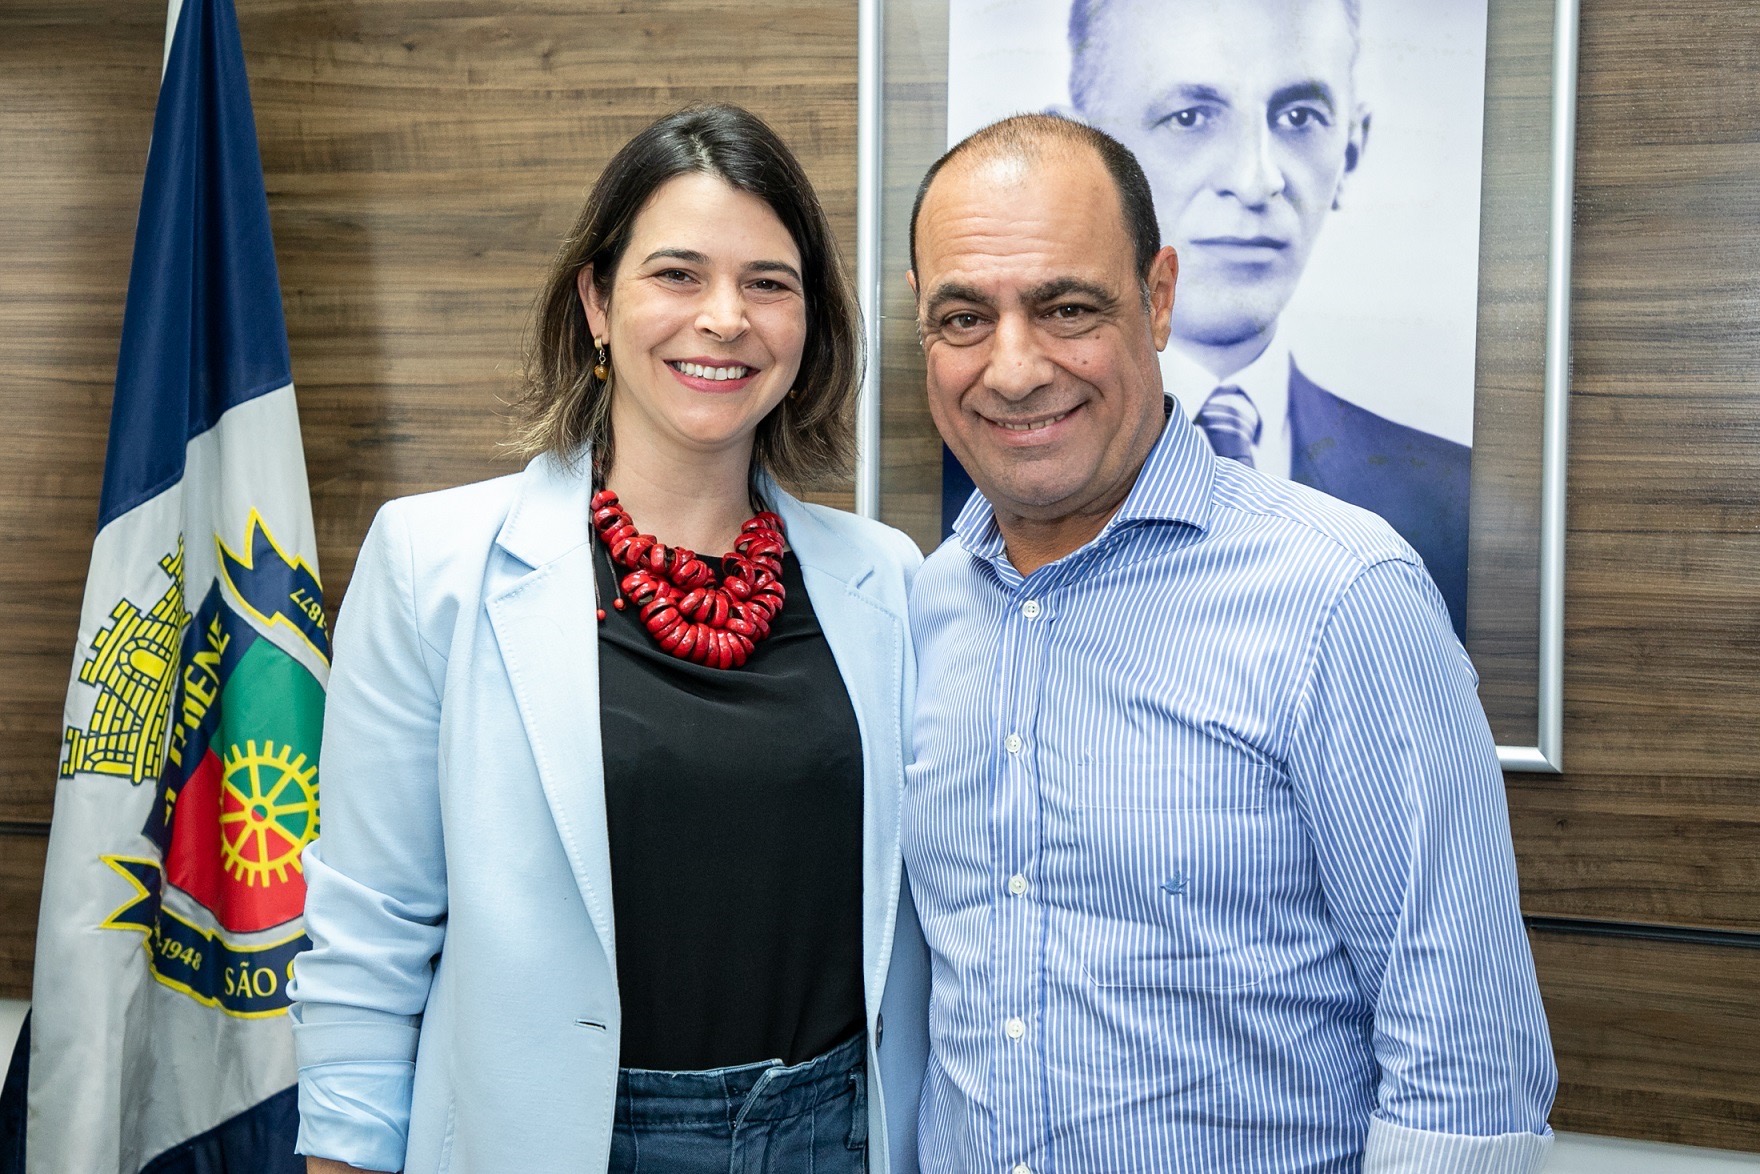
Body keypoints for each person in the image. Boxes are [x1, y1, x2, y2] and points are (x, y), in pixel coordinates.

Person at [903, 113, 1554, 1172]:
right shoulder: (925, 607)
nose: (1013, 370)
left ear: (1158, 298)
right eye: (965, 317)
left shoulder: (1341, 596)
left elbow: (1464, 1065)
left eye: (1067, 309)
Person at [290, 104, 929, 1174]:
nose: (724, 318)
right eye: (677, 274)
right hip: (556, 1141)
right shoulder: (431, 565)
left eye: (768, 283)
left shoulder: (889, 581)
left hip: (834, 1134)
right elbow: (370, 927)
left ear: (809, 321)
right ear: (595, 300)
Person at [1037, 0, 1471, 639]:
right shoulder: (973, 508)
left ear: (1352, 147)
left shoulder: (1449, 504)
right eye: (1190, 118)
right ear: (1074, 163)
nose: (1256, 179)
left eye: (1299, 117)